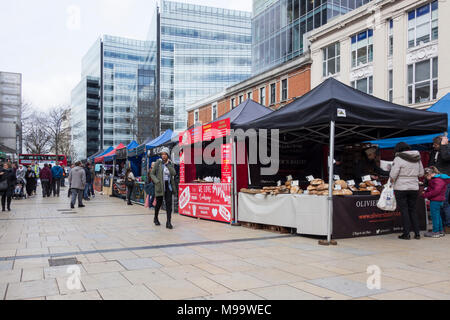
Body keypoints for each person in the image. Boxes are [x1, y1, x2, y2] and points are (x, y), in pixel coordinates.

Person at [390, 142, 424, 240]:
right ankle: (417, 233)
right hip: (414, 187)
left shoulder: (398, 158)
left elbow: (393, 174)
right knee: (413, 210)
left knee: (404, 210)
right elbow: (421, 173)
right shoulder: (417, 158)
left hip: (401, 187)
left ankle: (406, 234)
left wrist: (392, 180)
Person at [151, 147, 177, 229]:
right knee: (158, 203)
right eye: (162, 154)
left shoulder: (170, 163)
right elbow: (152, 174)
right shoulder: (158, 163)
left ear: (168, 155)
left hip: (168, 185)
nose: (163, 156)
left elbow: (173, 173)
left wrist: (168, 165)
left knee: (168, 205)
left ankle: (168, 222)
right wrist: (157, 181)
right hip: (160, 186)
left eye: (165, 154)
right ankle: (155, 218)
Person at [428, 136, 450, 233]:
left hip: (445, 181)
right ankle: (440, 226)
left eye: (436, 144)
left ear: (441, 144)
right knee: (438, 204)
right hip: (435, 181)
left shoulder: (447, 150)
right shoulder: (434, 152)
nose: (433, 146)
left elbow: (446, 157)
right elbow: (431, 165)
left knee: (444, 203)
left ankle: (448, 225)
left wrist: (444, 146)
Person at [422, 166, 449, 238]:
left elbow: (436, 191)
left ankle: (435, 231)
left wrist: (425, 195)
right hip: (439, 200)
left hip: (435, 200)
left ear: (429, 174)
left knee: (434, 216)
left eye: (426, 177)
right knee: (438, 215)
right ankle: (440, 231)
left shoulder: (437, 180)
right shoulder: (439, 179)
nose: (426, 179)